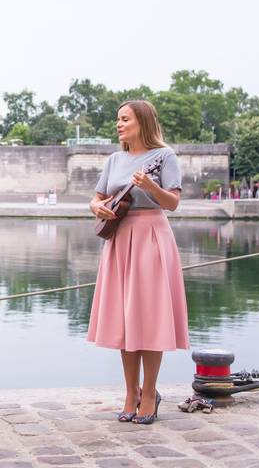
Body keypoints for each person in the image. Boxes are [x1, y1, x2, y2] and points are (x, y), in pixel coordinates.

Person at [87, 100, 189, 425]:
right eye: (117, 119)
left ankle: (149, 392)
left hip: (151, 237)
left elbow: (173, 203)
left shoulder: (164, 156)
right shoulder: (115, 159)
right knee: (124, 319)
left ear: (142, 122)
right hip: (120, 239)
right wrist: (95, 208)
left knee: (149, 317)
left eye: (125, 119)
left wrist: (151, 186)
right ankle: (130, 392)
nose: (119, 124)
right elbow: (98, 196)